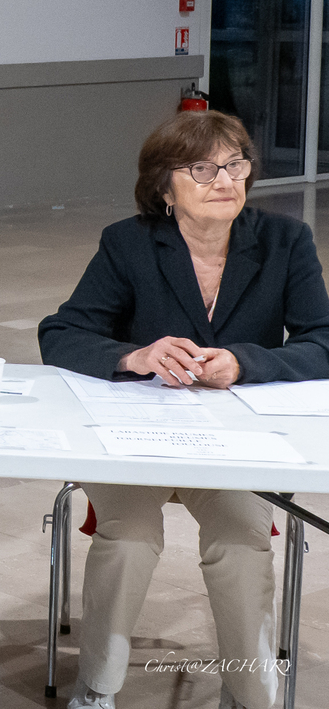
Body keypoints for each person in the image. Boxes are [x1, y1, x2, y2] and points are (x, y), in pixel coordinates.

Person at [38, 110, 329, 709]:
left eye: (235, 165)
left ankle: (250, 695)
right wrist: (135, 356)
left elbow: (322, 341)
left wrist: (244, 362)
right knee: (130, 536)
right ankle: (97, 689)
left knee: (241, 539)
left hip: (235, 440)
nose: (224, 180)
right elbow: (63, 333)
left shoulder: (285, 240)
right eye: (202, 168)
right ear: (164, 187)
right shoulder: (129, 242)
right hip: (136, 435)